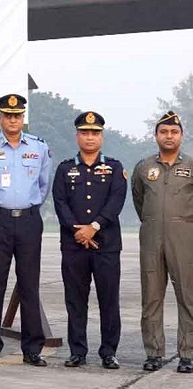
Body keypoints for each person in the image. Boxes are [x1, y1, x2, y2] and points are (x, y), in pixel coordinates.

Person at [0, 93, 52, 367]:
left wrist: (26, 206)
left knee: (29, 284)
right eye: (8, 115)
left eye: (17, 116)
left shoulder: (39, 147)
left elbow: (43, 185)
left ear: (22, 118)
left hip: (28, 220)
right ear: (0, 118)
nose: (12, 120)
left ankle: (32, 348)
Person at [52, 111, 126, 370]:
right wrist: (79, 231)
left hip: (106, 244)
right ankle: (78, 351)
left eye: (95, 133)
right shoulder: (65, 168)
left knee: (109, 300)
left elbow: (116, 201)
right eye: (85, 132)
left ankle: (109, 352)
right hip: (74, 244)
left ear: (101, 137)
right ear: (77, 136)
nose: (90, 137)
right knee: (75, 300)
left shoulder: (114, 168)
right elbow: (60, 202)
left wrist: (93, 227)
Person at [132, 111, 193, 374]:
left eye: (174, 132)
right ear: (156, 135)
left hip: (185, 238)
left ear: (182, 135)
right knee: (152, 297)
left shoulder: (190, 166)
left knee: (188, 297)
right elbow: (139, 199)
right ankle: (154, 353)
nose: (169, 136)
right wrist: (154, 221)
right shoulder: (144, 167)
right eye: (164, 132)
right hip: (151, 237)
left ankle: (187, 354)